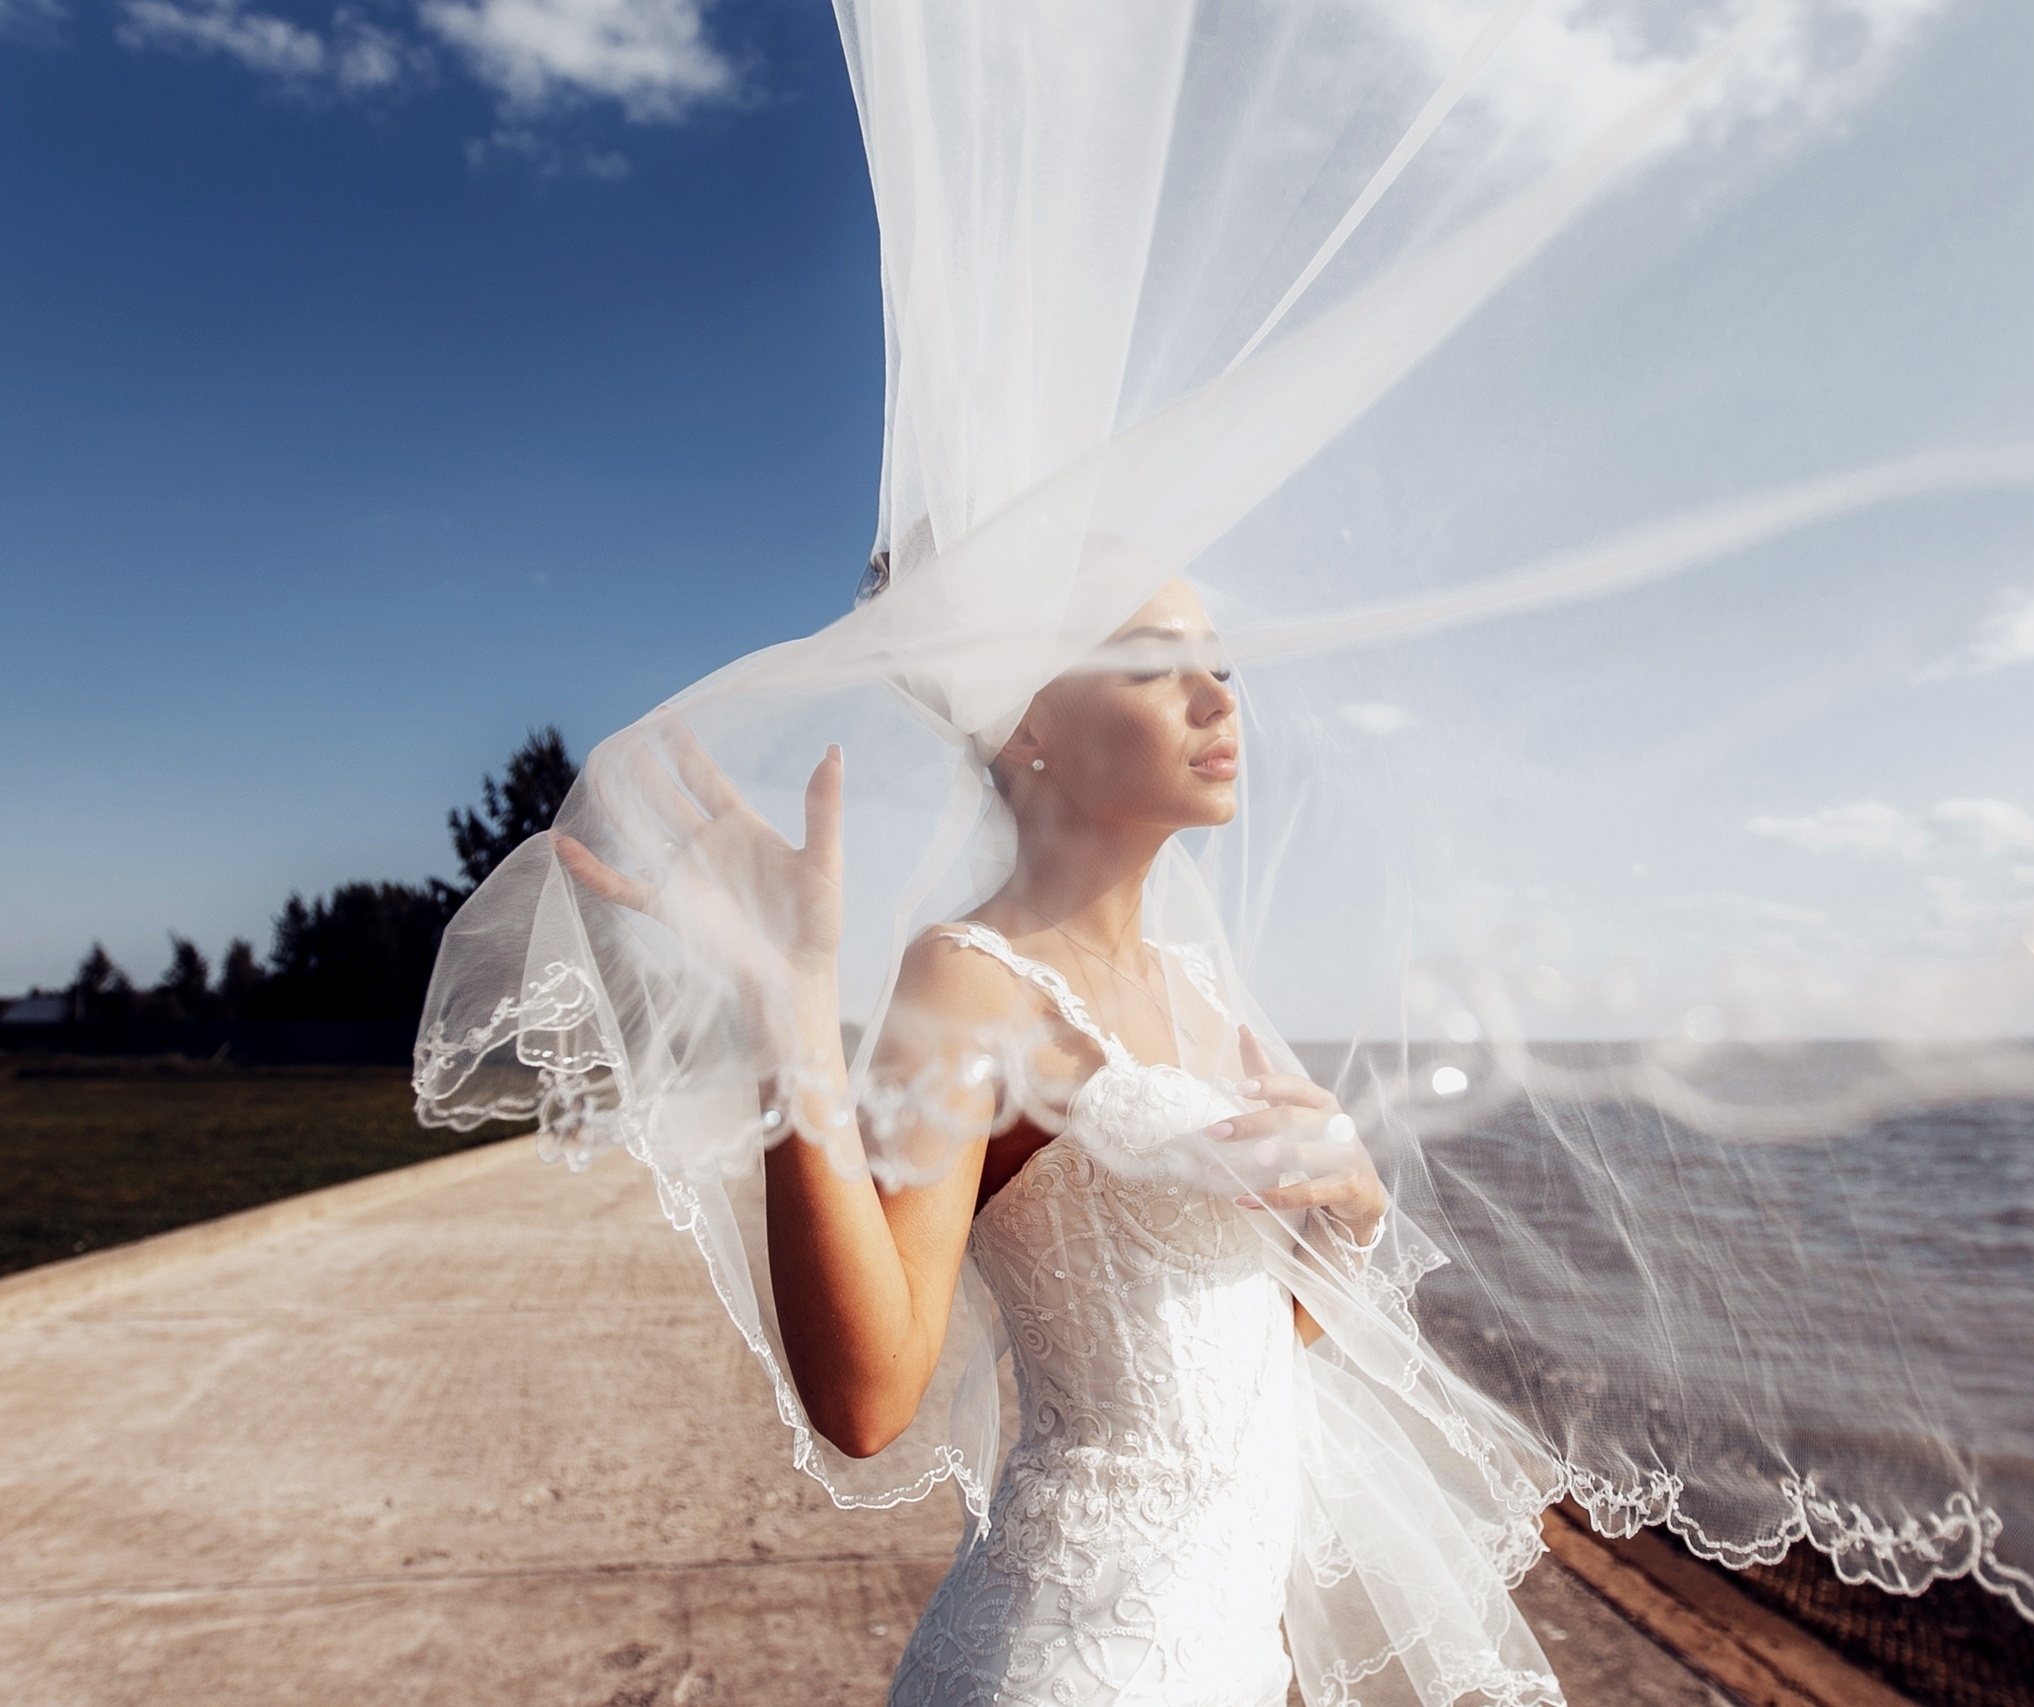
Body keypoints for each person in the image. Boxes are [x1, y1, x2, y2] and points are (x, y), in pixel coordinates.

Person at [555, 579, 1553, 1704]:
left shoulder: (1196, 991)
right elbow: (868, 1400)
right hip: (1069, 1665)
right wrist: (792, 1001)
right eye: (1151, 663)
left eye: (1219, 665)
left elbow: (1224, 1351)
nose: (1217, 700)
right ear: (1024, 722)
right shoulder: (971, 981)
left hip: (1224, 1655)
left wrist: (1352, 1218)